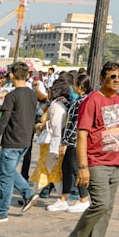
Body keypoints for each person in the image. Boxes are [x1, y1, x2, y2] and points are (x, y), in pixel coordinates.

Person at [68, 61, 119, 237]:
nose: (117, 80)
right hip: (96, 162)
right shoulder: (92, 100)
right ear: (102, 78)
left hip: (115, 162)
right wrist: (83, 167)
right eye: (112, 76)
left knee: (107, 209)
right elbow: (81, 136)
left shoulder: (118, 99)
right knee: (100, 205)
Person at [0, 61, 39, 223]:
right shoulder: (32, 94)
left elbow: (3, 120)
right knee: (9, 170)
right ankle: (28, 193)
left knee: (5, 176)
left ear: (12, 75)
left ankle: (2, 211)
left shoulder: (12, 96)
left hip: (12, 140)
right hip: (26, 139)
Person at [48, 73, 91, 213]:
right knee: (66, 168)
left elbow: (74, 124)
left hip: (74, 141)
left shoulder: (82, 102)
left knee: (75, 169)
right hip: (73, 140)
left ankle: (84, 198)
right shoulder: (81, 100)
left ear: (79, 87)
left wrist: (66, 142)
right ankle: (64, 198)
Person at [29, 77, 70, 207]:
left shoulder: (56, 106)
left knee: (49, 169)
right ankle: (35, 194)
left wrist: (41, 126)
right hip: (50, 142)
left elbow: (56, 126)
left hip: (51, 142)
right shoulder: (59, 104)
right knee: (49, 169)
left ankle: (36, 195)